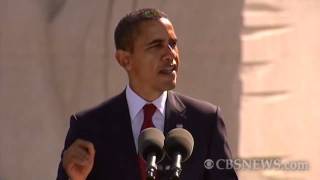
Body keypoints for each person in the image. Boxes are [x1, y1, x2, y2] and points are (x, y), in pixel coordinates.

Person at [56, 8, 238, 180]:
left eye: (173, 44)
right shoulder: (89, 127)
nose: (170, 54)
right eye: (156, 45)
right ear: (125, 59)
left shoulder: (205, 121)